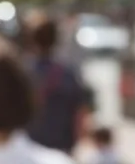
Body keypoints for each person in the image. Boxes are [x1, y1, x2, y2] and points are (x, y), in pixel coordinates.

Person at [23, 11, 93, 155]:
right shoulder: (68, 73)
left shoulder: (23, 73)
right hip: (62, 148)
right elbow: (80, 113)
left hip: (29, 148)